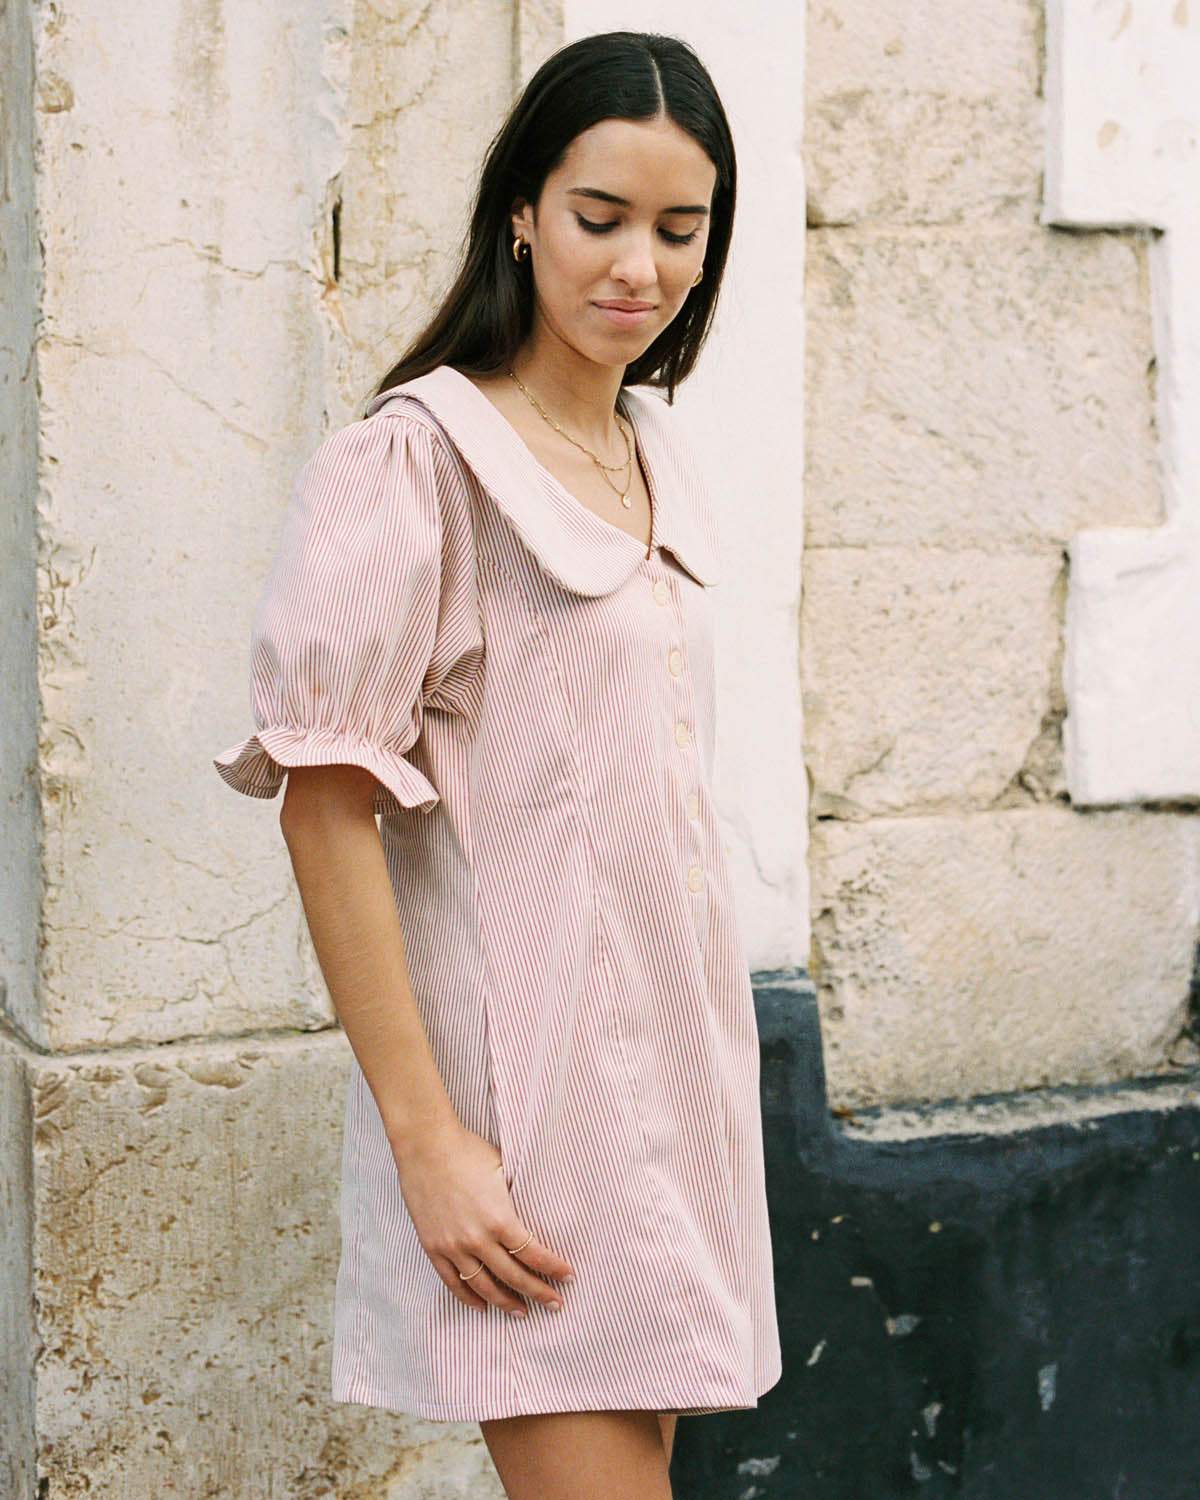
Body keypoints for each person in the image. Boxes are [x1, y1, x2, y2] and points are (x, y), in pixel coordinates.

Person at [213, 29, 781, 1500]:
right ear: (521, 212)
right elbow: (325, 809)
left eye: (680, 228)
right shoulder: (416, 465)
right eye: (600, 217)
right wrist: (430, 1144)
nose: (640, 267)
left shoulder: (653, 445)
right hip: (525, 1131)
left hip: (676, 1108)